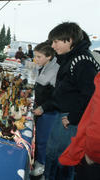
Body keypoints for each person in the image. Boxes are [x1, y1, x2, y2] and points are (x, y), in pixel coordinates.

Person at [44, 22, 100, 180]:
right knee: (53, 154)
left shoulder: (82, 61)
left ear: (69, 40)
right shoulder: (71, 57)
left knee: (61, 159)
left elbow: (90, 95)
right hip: (65, 114)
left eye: (56, 42)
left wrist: (73, 117)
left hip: (70, 118)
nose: (53, 46)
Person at [30, 41, 60, 177]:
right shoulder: (44, 66)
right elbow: (41, 86)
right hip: (41, 108)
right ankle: (37, 161)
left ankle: (42, 166)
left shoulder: (55, 69)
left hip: (49, 112)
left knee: (43, 140)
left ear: (49, 56)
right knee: (38, 138)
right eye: (35, 56)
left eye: (39, 57)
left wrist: (42, 107)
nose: (36, 60)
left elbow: (56, 96)